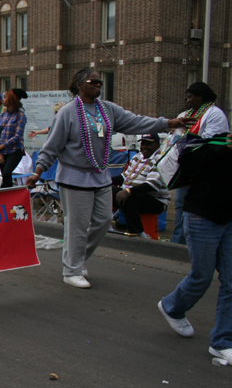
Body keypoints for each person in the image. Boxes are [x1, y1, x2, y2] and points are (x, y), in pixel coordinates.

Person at [26, 68, 195, 289]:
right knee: (77, 226)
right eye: (93, 81)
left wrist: (167, 123)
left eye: (100, 82)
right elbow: (52, 147)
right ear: (80, 85)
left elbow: (136, 122)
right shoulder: (67, 112)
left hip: (100, 176)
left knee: (103, 221)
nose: (98, 84)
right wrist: (38, 172)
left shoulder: (107, 110)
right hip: (74, 178)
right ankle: (72, 270)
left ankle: (78, 259)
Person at [157, 132, 232, 363]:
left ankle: (222, 342)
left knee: (231, 281)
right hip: (202, 217)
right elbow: (189, 173)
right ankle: (171, 306)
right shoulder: (213, 147)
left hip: (229, 221)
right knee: (202, 276)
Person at [169, 82, 229, 245]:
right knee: (180, 205)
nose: (186, 100)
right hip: (185, 167)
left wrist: (184, 143)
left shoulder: (215, 114)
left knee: (195, 210)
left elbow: (211, 141)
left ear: (200, 96)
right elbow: (175, 138)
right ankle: (177, 244)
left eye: (189, 97)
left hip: (203, 170)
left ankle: (186, 243)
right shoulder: (185, 115)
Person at [110, 134, 169, 237]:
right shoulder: (138, 156)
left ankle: (138, 232)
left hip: (156, 200)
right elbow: (124, 177)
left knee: (127, 197)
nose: (145, 147)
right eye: (143, 143)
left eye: (149, 144)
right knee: (103, 189)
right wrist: (106, 181)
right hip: (135, 194)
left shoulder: (161, 159)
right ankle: (106, 224)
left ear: (157, 145)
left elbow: (152, 184)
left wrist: (128, 191)